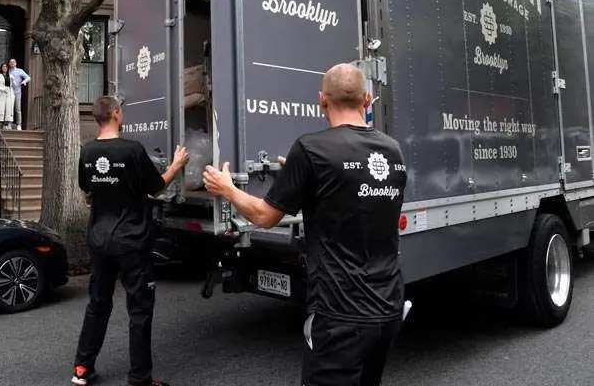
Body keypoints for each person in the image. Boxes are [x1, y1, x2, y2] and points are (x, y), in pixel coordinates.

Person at [202, 63, 408, 386]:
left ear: (321, 100)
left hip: (339, 315)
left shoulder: (312, 150)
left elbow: (264, 217)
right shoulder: (393, 151)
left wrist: (227, 188)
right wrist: (301, 176)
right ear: (367, 100)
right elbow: (355, 195)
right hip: (388, 308)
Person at [72, 95, 189, 386]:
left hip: (99, 239)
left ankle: (82, 368)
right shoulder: (132, 151)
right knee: (139, 310)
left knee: (98, 303)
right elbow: (156, 188)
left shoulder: (87, 153)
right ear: (114, 113)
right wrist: (176, 164)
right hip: (132, 241)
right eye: (120, 110)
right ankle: (140, 378)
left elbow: (87, 188)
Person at [8, 58, 30, 130]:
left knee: (17, 108)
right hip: (9, 92)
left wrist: (24, 81)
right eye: (11, 62)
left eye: (13, 62)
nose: (12, 63)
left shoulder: (19, 71)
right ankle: (9, 124)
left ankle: (18, 124)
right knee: (9, 108)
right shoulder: (8, 71)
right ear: (9, 64)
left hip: (17, 92)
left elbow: (28, 77)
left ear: (16, 63)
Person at [0, 62, 14, 129]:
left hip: (9, 93)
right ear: (1, 68)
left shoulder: (10, 76)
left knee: (8, 108)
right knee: (1, 108)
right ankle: (0, 124)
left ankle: (7, 124)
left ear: (7, 68)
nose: (5, 68)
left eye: (6, 67)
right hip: (1, 93)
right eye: (3, 66)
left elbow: (12, 85)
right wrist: (3, 89)